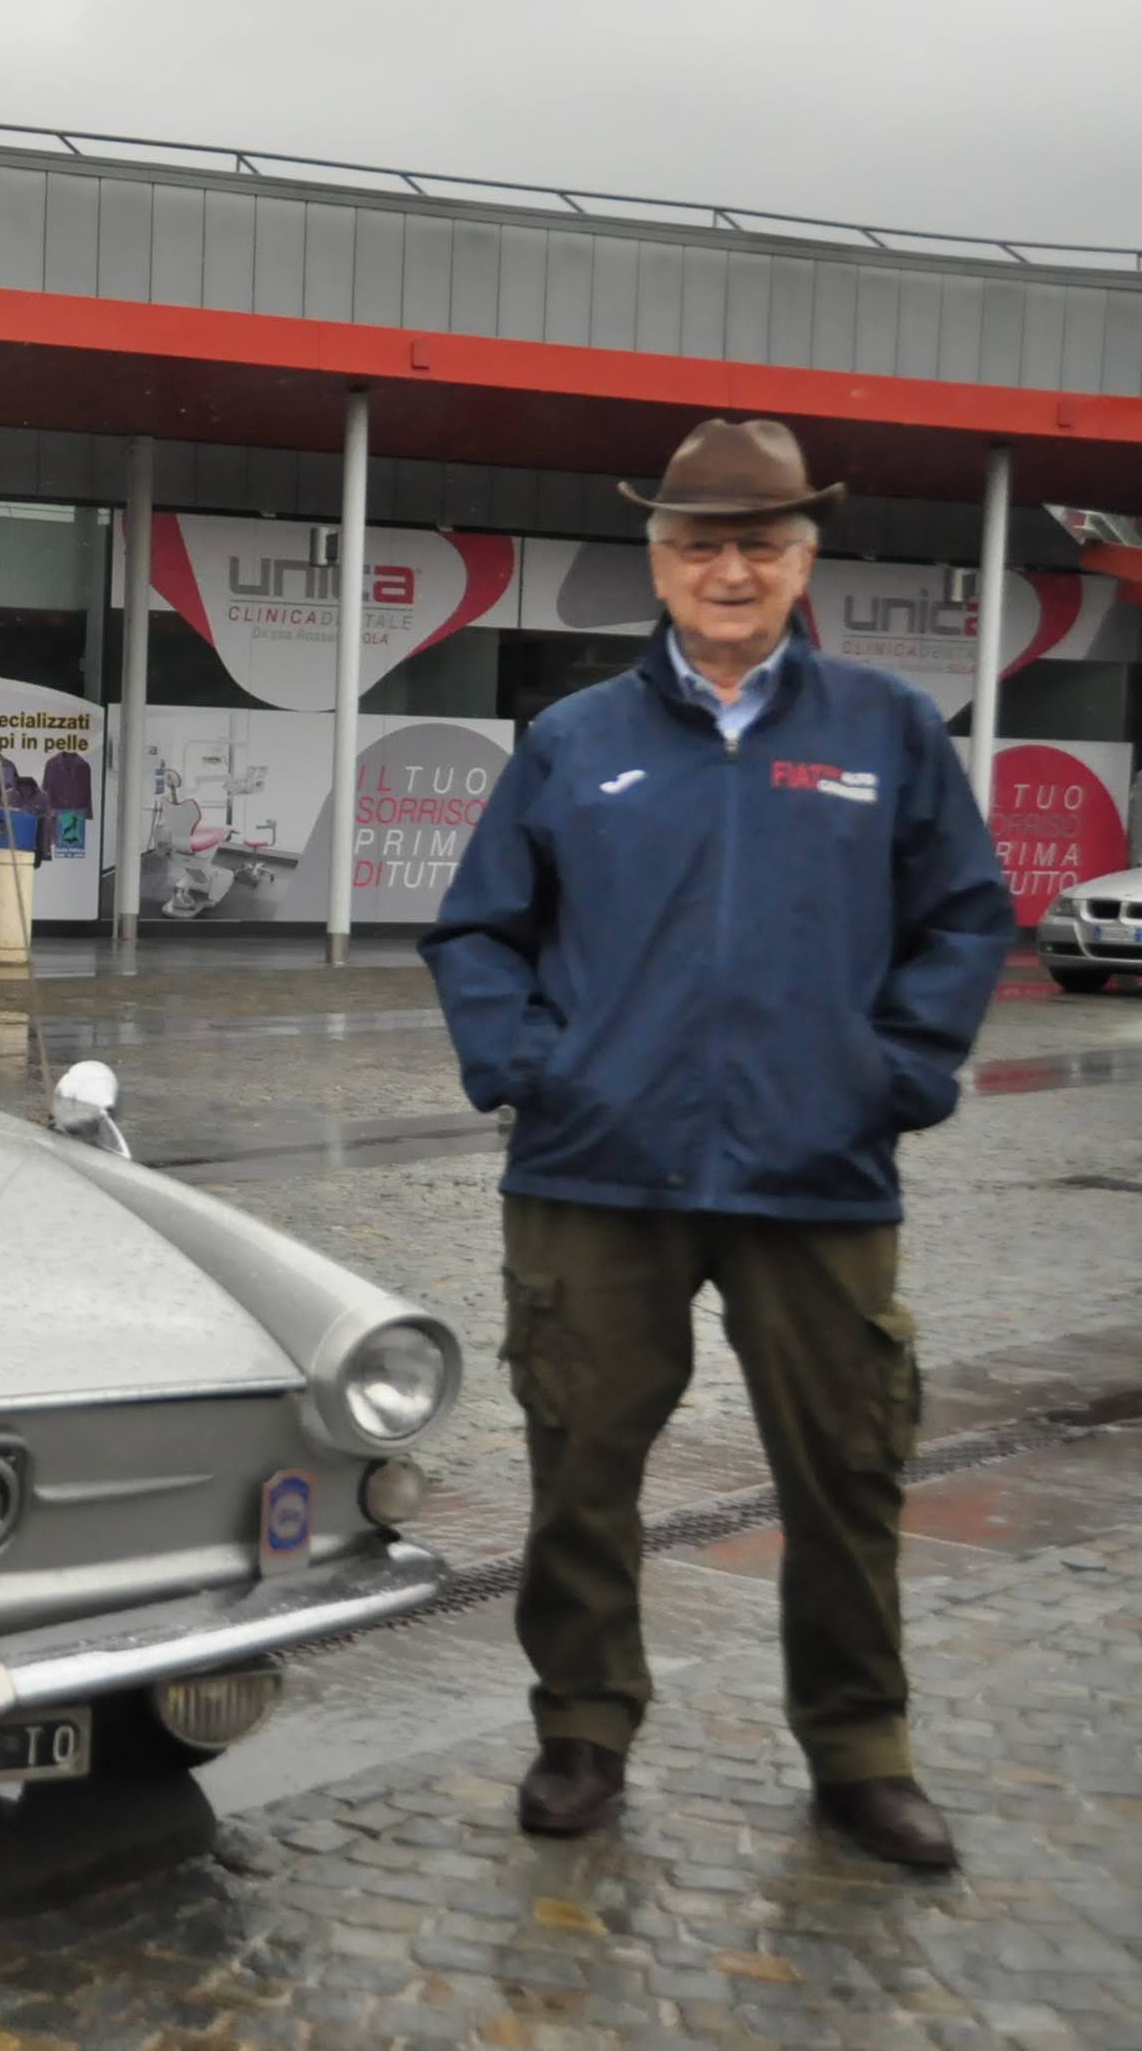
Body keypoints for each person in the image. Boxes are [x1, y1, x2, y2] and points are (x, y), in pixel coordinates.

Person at [420, 418, 1012, 1870]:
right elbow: (480, 929)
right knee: (580, 1468)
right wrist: (533, 1073)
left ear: (804, 562)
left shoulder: (885, 730)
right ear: (658, 563)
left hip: (819, 1178)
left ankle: (861, 1752)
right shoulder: (577, 741)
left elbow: (963, 918)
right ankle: (583, 1729)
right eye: (700, 545)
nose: (729, 570)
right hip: (594, 1176)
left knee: (849, 1473)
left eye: (758, 544)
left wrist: (893, 1074)